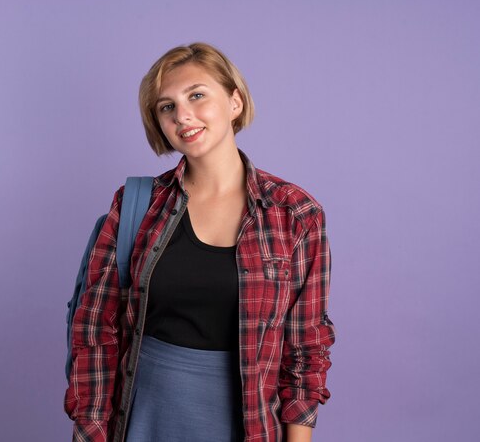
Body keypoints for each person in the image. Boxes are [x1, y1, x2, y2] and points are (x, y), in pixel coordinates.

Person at [65, 42, 335, 442]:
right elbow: (94, 332)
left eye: (196, 95)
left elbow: (305, 349)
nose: (183, 115)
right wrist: (90, 430)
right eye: (167, 106)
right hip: (144, 417)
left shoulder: (294, 214)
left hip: (248, 424)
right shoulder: (137, 206)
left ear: (235, 102)